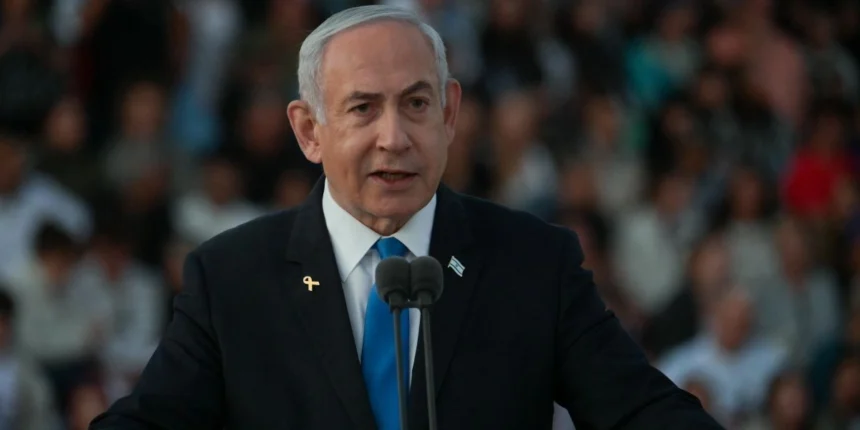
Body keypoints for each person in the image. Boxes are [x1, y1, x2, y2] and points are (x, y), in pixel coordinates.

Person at [90, 5, 722, 429]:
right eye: (363, 108)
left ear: (450, 114)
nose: (394, 138)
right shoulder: (231, 279)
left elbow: (642, 413)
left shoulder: (534, 264)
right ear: (309, 131)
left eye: (416, 104)